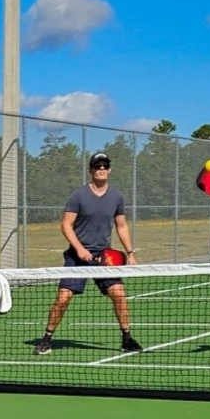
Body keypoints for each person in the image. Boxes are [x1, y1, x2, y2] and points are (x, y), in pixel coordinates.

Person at [34, 152, 143, 355]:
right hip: (78, 257)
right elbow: (66, 225)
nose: (101, 169)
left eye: (105, 166)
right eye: (97, 166)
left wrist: (130, 252)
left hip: (105, 257)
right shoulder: (79, 196)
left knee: (119, 294)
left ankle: (127, 338)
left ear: (109, 170)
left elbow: (121, 225)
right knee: (63, 297)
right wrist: (80, 249)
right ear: (91, 170)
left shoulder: (117, 196)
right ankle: (46, 339)